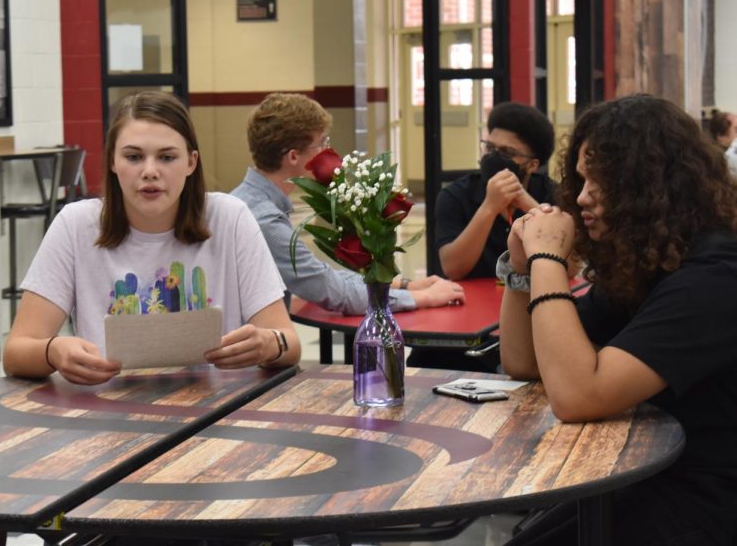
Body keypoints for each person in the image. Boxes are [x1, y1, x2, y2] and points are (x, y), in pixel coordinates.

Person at [499, 94, 737, 545]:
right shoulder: (653, 262)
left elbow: (577, 396)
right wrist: (519, 270)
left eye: (601, 181)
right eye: (582, 179)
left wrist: (547, 258)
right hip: (646, 472)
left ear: (650, 185)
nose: (583, 196)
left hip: (706, 499)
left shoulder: (714, 276)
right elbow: (524, 363)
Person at [3, 91, 300, 384]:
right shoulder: (76, 225)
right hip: (111, 414)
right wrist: (52, 351)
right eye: (133, 157)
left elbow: (289, 342)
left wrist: (269, 344)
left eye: (167, 157)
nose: (150, 171)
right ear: (112, 162)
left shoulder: (230, 217)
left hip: (219, 412)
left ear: (191, 162)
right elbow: (15, 353)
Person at [231, 92, 466, 316]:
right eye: (321, 143)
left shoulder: (249, 202)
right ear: (293, 156)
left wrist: (405, 286)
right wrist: (424, 298)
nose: (326, 151)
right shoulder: (264, 219)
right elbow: (330, 290)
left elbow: (321, 274)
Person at [434, 102, 556, 280]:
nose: (494, 157)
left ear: (532, 165)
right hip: (471, 301)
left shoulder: (551, 194)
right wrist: (489, 207)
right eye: (490, 148)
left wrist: (526, 203)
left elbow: (570, 266)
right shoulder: (455, 196)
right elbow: (453, 268)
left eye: (507, 152)